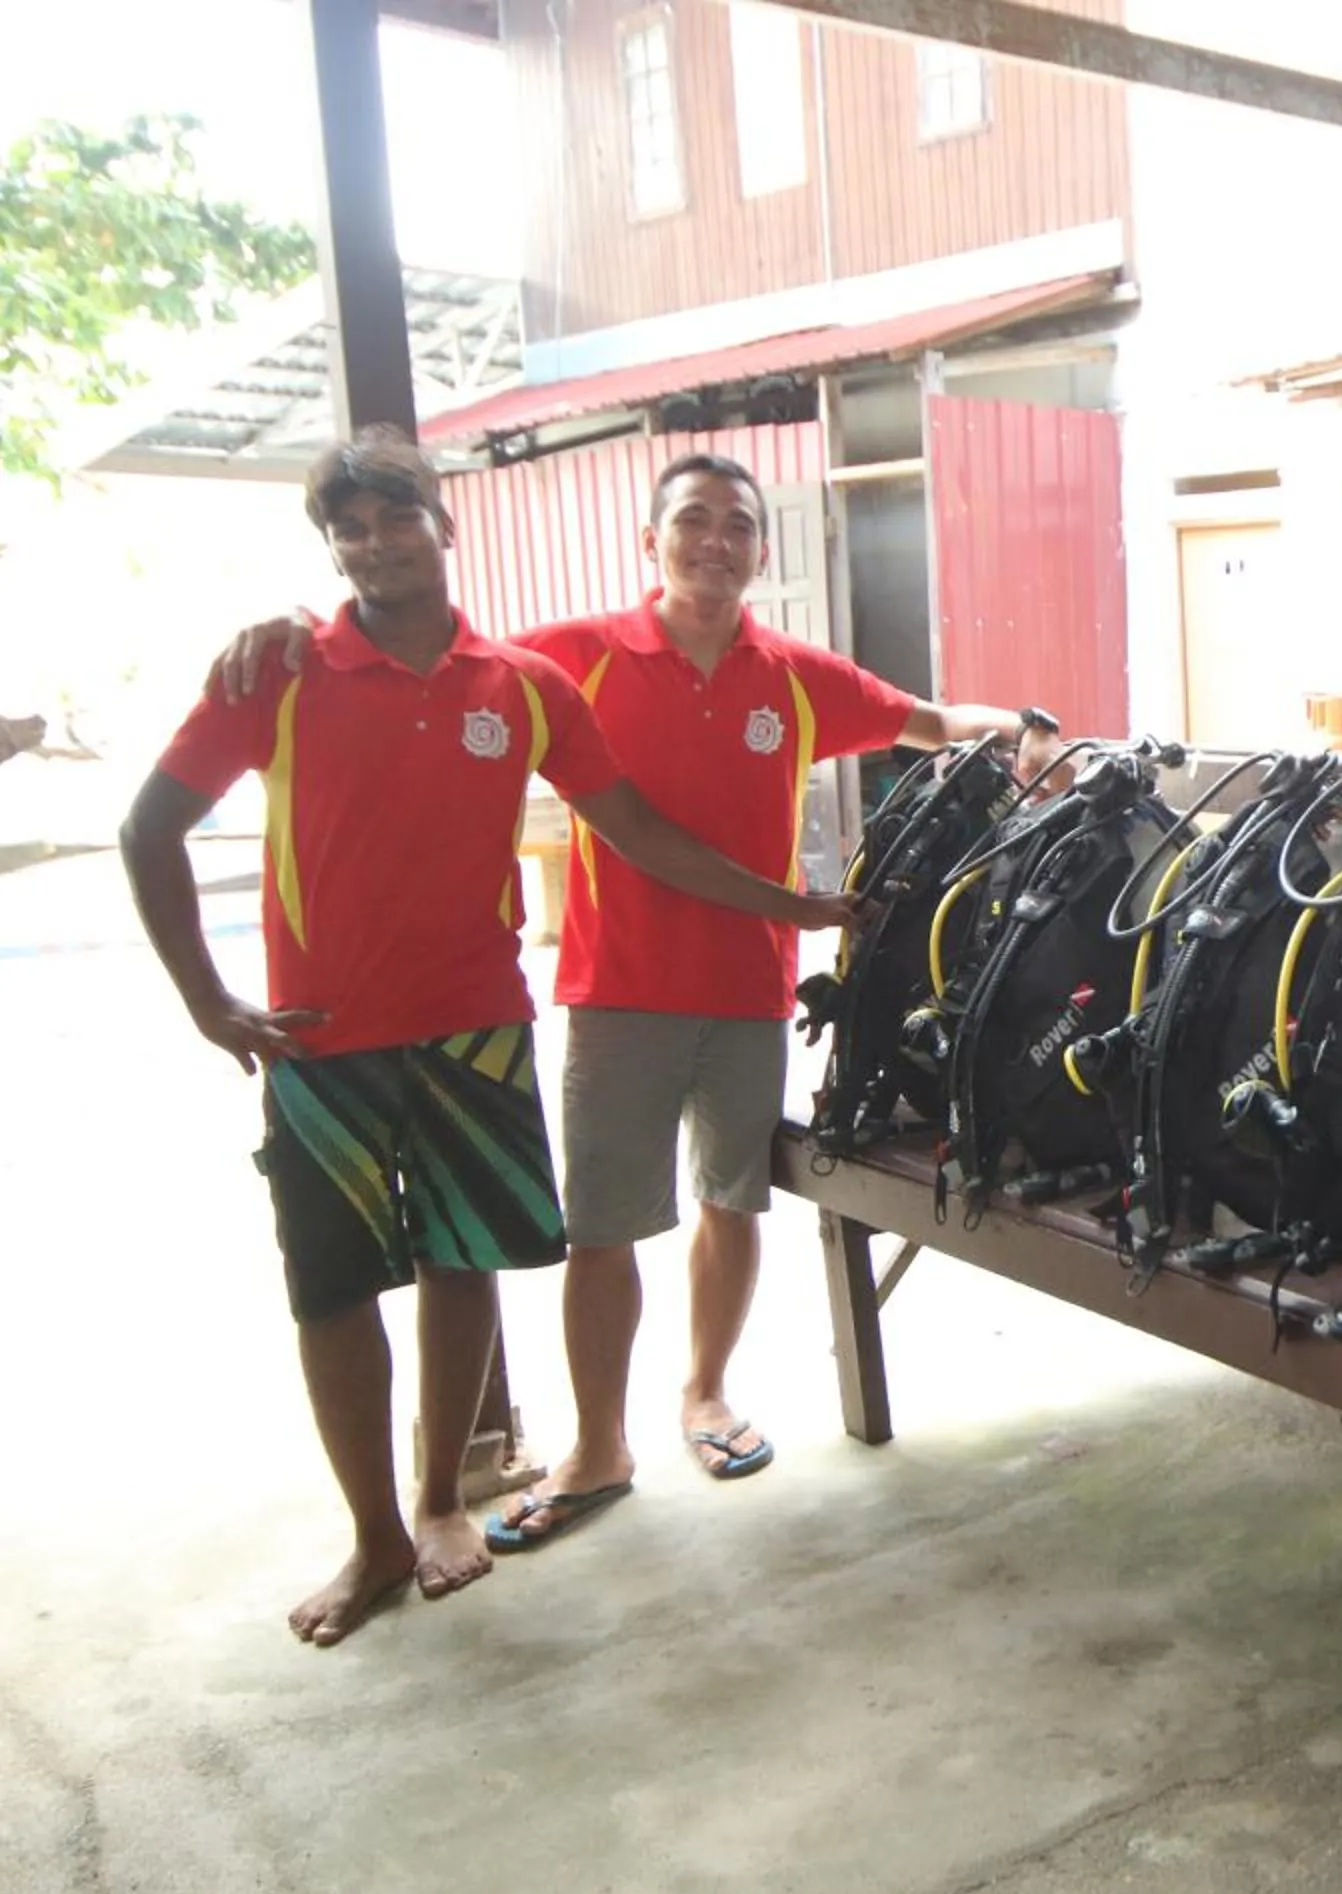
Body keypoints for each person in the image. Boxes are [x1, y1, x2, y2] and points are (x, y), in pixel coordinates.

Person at [213, 452, 1060, 1552]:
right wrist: (295, 623)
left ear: (763, 548)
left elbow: (933, 722)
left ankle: (705, 1392)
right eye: (692, 520)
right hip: (617, 994)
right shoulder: (572, 658)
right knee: (605, 1223)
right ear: (649, 540)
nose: (715, 541)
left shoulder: (796, 673)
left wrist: (1033, 730)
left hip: (751, 989)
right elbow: (431, 647)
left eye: (738, 525)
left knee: (731, 1200)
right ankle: (597, 1443)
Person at [124, 427, 852, 1647]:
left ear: (443, 527)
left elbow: (636, 830)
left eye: (394, 518)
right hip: (321, 1044)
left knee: (462, 1265)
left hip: (476, 1030)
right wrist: (207, 999)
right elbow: (152, 828)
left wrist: (796, 908)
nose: (372, 544)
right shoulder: (280, 672)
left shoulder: (518, 685)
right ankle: (371, 1537)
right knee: (335, 1288)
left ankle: (436, 1501)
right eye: (346, 529)